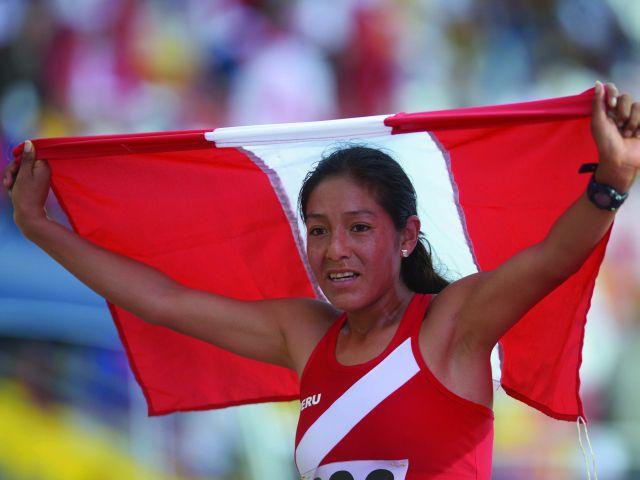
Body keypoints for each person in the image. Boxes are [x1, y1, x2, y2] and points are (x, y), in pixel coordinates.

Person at [3, 81, 639, 479]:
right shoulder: (303, 334)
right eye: (318, 229)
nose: (336, 250)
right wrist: (40, 228)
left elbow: (551, 258)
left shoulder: (452, 325)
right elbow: (164, 301)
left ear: (407, 235)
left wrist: (612, 181)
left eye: (360, 228)